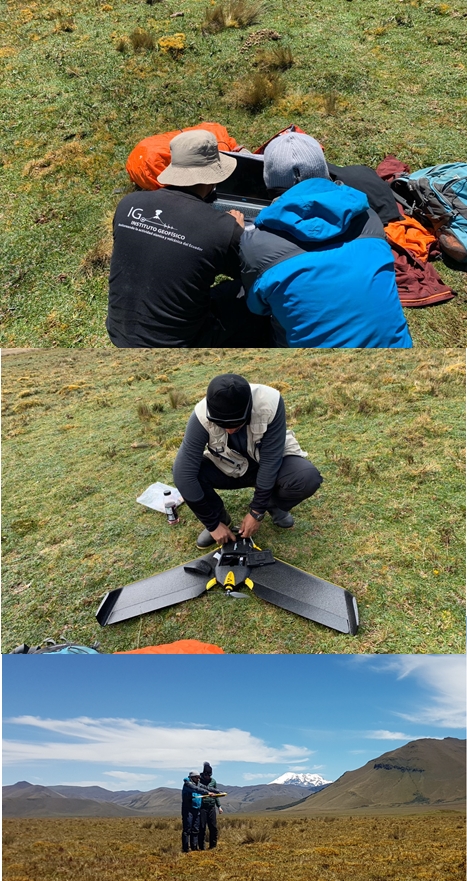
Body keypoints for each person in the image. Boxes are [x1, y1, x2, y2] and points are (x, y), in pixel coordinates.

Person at [239, 132, 413, 348]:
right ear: (324, 171)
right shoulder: (369, 217)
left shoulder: (254, 243)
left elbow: (258, 308)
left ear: (268, 182)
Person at [107, 129, 270, 347]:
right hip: (177, 343)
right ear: (213, 176)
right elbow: (250, 271)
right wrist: (238, 233)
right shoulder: (222, 228)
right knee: (245, 293)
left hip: (119, 333)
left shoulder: (129, 204)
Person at [173, 373, 323, 548]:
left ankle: (272, 504)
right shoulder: (201, 415)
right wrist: (212, 525)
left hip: (267, 463)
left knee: (306, 478)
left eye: (236, 424)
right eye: (222, 425)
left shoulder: (270, 402)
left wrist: (256, 512)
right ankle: (221, 520)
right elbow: (183, 474)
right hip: (229, 466)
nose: (229, 431)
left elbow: (270, 461)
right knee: (187, 473)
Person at [181, 771, 220, 853]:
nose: (198, 779)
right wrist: (207, 793)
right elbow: (196, 789)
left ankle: (194, 848)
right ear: (192, 777)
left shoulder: (198, 783)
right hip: (188, 809)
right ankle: (186, 849)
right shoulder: (188, 784)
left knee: (195, 829)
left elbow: (206, 787)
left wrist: (217, 791)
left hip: (197, 809)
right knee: (187, 829)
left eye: (199, 777)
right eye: (197, 777)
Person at [198, 762, 223, 850]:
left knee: (213, 827)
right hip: (202, 807)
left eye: (209, 775)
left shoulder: (213, 781)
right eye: (206, 775)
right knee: (202, 827)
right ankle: (201, 847)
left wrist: (219, 806)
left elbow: (216, 795)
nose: (208, 777)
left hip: (211, 806)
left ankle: (213, 846)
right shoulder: (198, 781)